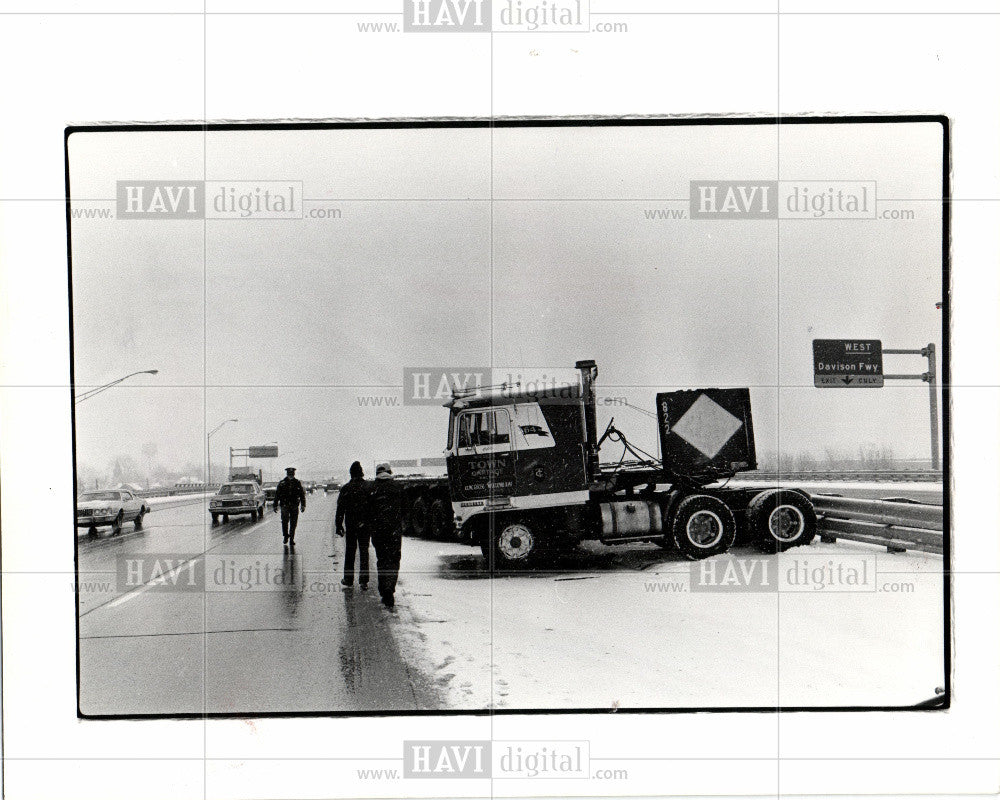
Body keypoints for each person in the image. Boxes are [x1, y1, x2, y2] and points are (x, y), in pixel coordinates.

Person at [366, 462, 404, 608]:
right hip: (394, 530)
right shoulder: (397, 487)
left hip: (377, 531)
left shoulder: (371, 488)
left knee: (382, 560)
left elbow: (366, 510)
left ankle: (383, 589)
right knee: (394, 559)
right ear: (390, 472)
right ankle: (390, 588)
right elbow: (405, 508)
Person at [336, 461, 370, 589]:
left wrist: (338, 525)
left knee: (350, 552)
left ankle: (348, 579)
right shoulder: (368, 487)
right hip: (365, 525)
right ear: (361, 473)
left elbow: (340, 509)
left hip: (351, 525)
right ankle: (364, 580)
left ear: (351, 474)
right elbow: (373, 508)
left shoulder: (346, 488)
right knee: (364, 551)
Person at [273, 466, 306, 548]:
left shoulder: (297, 483)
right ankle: (285, 536)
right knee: (284, 521)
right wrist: (275, 505)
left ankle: (291, 538)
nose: (291, 475)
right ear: (287, 474)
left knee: (293, 523)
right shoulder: (282, 483)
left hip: (294, 505)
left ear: (294, 474)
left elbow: (302, 494)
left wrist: (303, 505)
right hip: (285, 505)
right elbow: (277, 495)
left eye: (292, 474)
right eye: (290, 474)